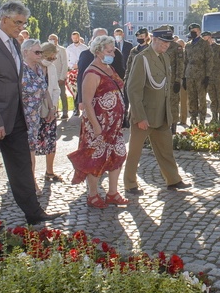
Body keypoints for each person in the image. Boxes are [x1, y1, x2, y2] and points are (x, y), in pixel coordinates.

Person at [0, 1, 63, 225]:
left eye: (23, 23)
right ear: (4, 19)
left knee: (21, 166)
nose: (21, 27)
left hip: (15, 117)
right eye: (17, 22)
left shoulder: (13, 43)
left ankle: (33, 212)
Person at [124, 27, 190, 195]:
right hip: (144, 114)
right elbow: (133, 90)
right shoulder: (142, 59)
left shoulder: (165, 58)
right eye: (163, 42)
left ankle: (173, 179)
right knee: (135, 152)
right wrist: (139, 116)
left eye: (168, 43)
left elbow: (165, 87)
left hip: (161, 113)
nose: (166, 46)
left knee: (166, 149)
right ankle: (130, 184)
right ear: (154, 40)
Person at [73, 35, 129, 207]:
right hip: (98, 125)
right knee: (96, 158)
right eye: (109, 51)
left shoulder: (108, 67)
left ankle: (113, 193)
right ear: (98, 51)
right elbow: (88, 102)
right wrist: (96, 127)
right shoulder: (92, 72)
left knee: (118, 154)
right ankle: (93, 195)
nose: (112, 53)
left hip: (114, 125)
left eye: (112, 50)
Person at [21, 39, 60, 194]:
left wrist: (51, 108)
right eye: (37, 52)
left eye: (40, 52)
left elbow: (45, 90)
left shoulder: (38, 68)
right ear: (25, 52)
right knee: (28, 150)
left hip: (36, 116)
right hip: (23, 116)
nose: (40, 55)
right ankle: (31, 183)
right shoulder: (20, 69)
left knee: (32, 149)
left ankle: (31, 181)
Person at [183, 23, 212, 125]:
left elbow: (209, 60)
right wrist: (183, 77)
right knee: (191, 97)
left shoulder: (204, 44)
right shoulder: (188, 45)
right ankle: (193, 118)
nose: (193, 32)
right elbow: (185, 61)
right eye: (191, 31)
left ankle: (202, 118)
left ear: (199, 31)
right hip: (189, 74)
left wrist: (207, 75)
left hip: (201, 74)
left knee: (202, 97)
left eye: (194, 30)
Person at [203, 31, 220, 124]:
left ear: (211, 38)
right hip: (209, 79)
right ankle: (214, 118)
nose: (206, 41)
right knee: (213, 99)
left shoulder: (219, 48)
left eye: (207, 39)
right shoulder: (204, 50)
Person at [48, 34, 70, 120]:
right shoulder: (46, 49)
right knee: (51, 95)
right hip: (50, 76)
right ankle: (55, 111)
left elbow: (65, 64)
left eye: (53, 39)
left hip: (59, 76)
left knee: (62, 95)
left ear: (57, 40)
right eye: (50, 39)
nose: (52, 40)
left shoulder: (61, 50)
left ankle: (65, 112)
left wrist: (62, 77)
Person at [167, 35, 186, 131]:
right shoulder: (160, 46)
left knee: (173, 104)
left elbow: (180, 65)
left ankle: (173, 127)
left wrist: (178, 80)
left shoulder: (177, 47)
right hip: (160, 81)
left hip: (173, 80)